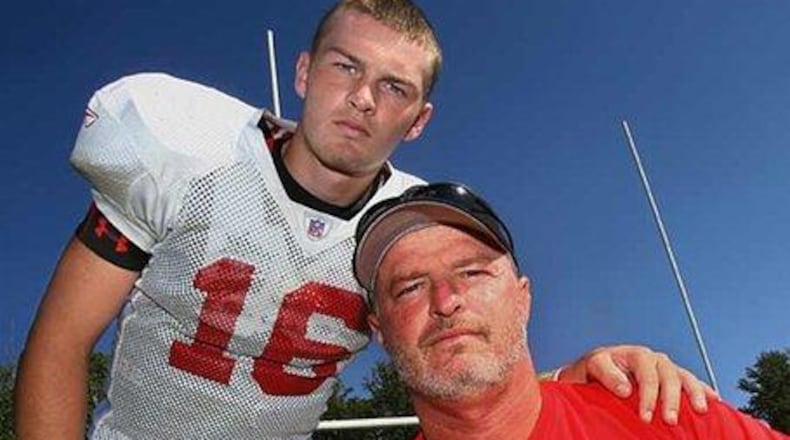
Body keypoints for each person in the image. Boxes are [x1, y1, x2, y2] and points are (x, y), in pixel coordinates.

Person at [15, 1, 712, 439]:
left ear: (418, 120)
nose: (362, 100)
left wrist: (581, 374)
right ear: (304, 72)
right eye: (346, 68)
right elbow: (61, 339)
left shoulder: (415, 232)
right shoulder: (188, 154)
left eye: (394, 88)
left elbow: (463, 358)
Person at [356, 182, 789, 440]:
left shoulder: (663, 412)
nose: (446, 301)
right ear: (379, 329)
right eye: (411, 287)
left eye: (472, 273)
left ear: (523, 298)